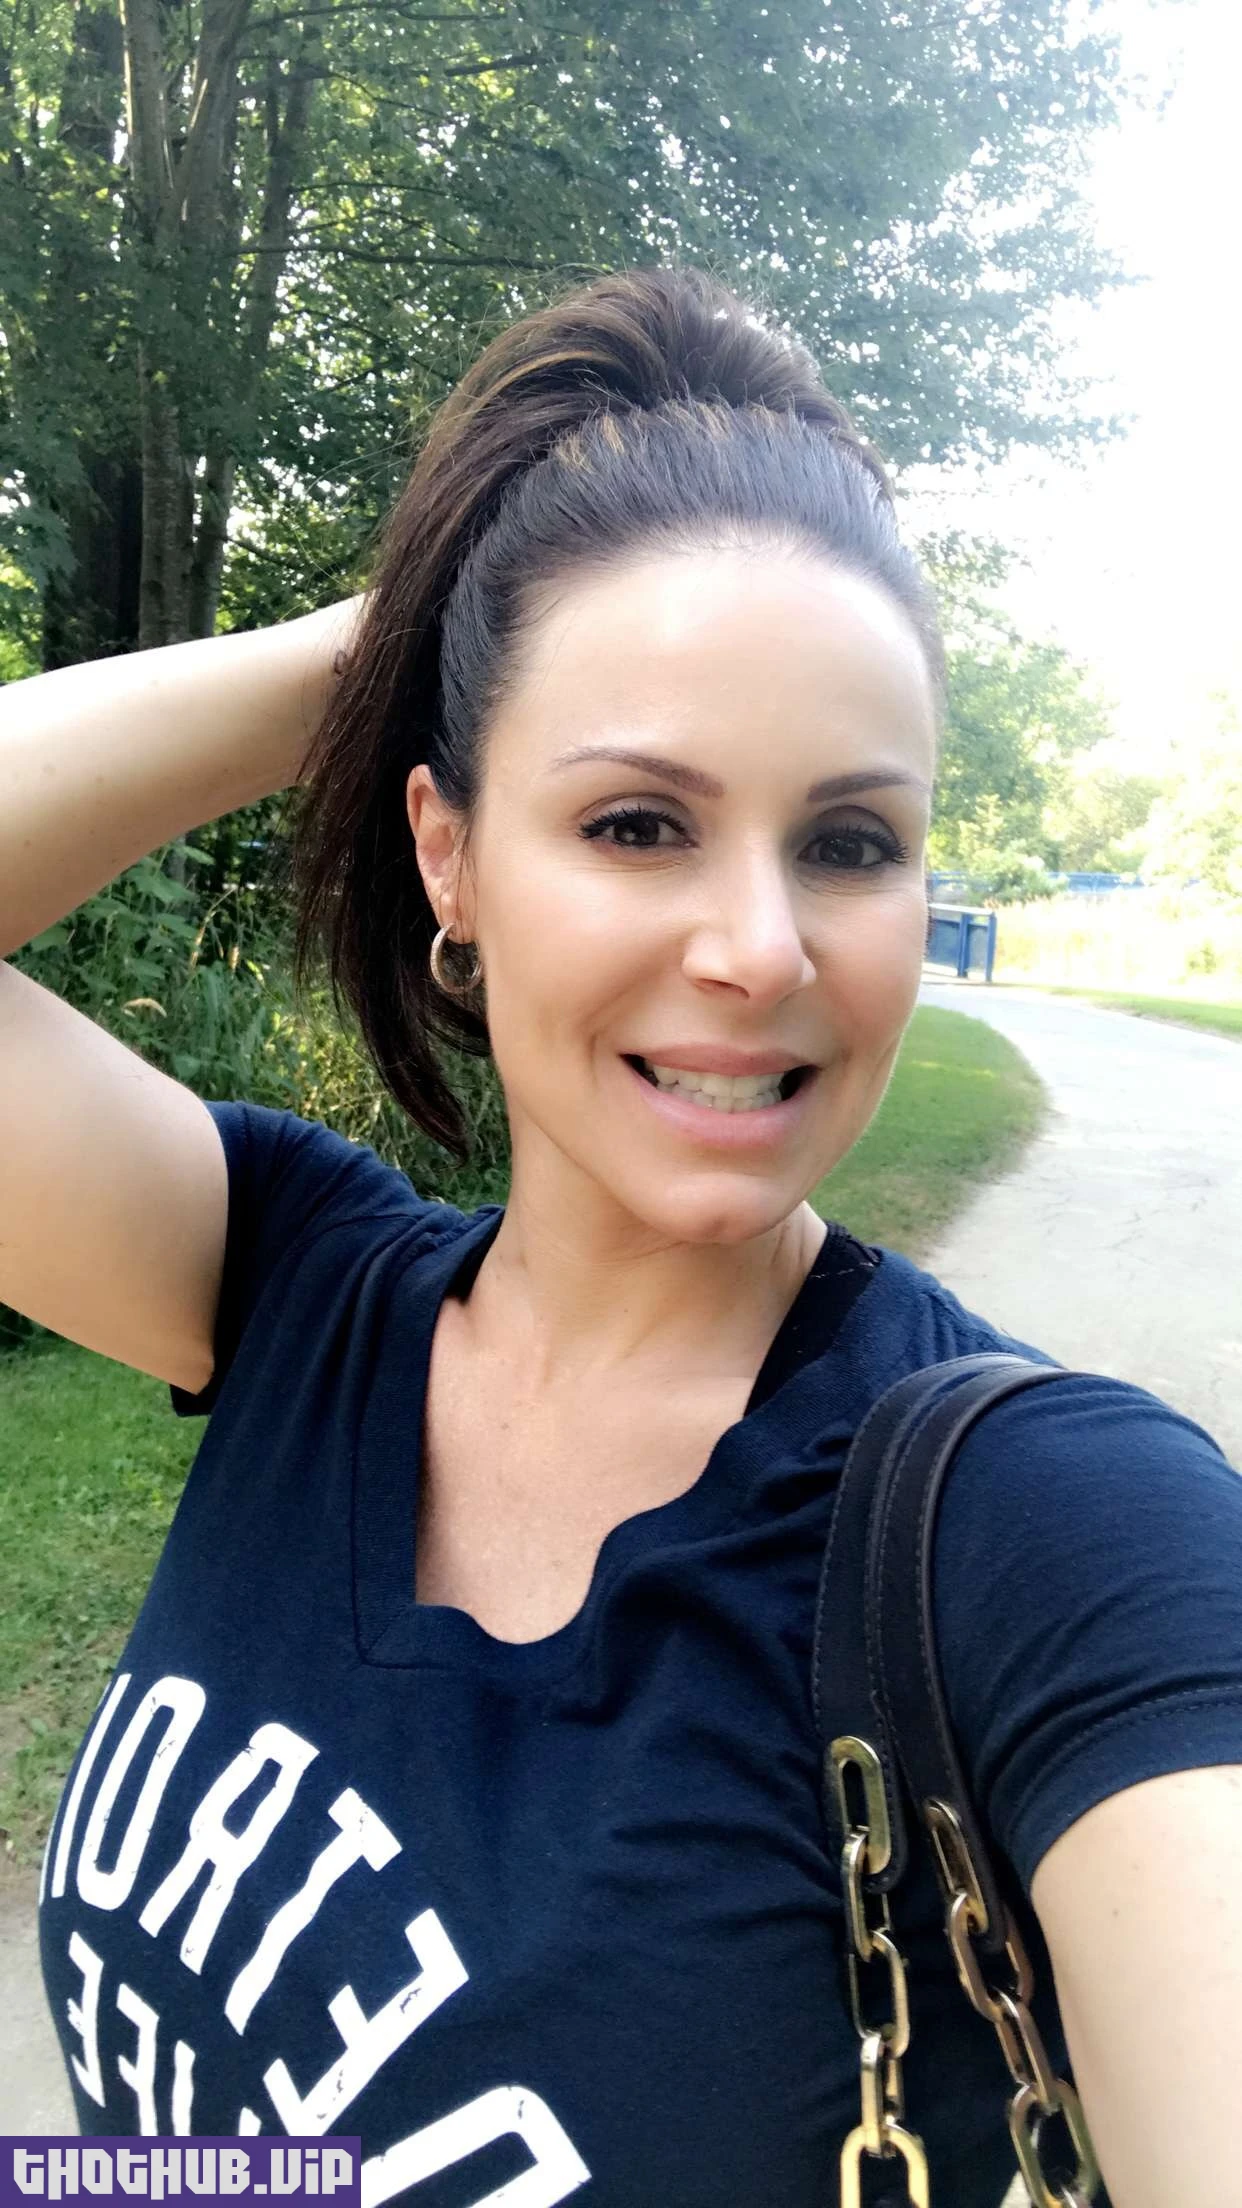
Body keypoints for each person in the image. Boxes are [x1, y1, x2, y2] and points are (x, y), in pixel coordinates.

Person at [3, 263, 1241, 2208]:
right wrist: (392, 642)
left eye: (848, 842)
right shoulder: (294, 1292)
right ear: (450, 853)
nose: (760, 947)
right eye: (638, 823)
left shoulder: (1046, 1526)